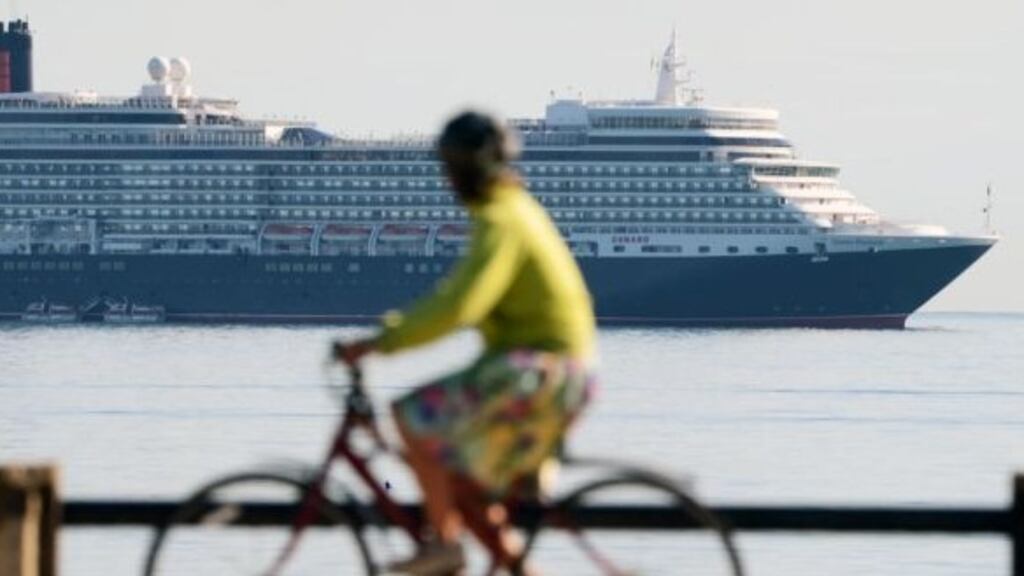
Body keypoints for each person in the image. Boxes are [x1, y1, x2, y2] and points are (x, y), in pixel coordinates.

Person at [334, 110, 596, 575]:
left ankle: (445, 548)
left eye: (450, 168)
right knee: (460, 480)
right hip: (556, 372)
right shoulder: (515, 210)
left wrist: (380, 342)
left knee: (410, 416)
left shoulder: (501, 220)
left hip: (539, 371)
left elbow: (460, 305)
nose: (448, 180)